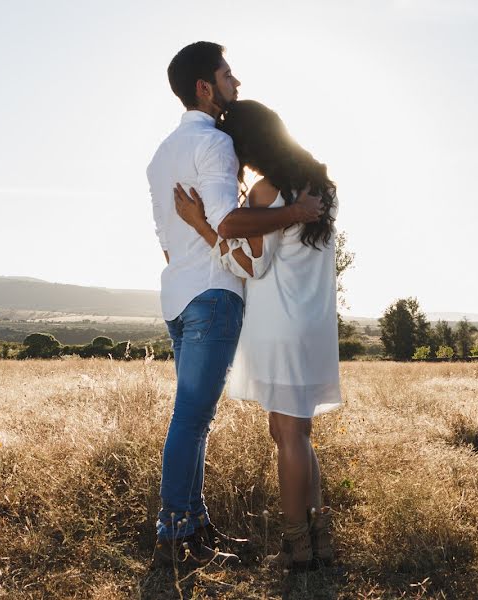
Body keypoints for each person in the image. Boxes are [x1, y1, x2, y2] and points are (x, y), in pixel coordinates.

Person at [147, 42, 323, 569]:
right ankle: (176, 533)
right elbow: (226, 222)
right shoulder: (218, 145)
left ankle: (193, 527)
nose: (235, 82)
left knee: (195, 419)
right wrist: (294, 210)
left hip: (177, 294)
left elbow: (164, 238)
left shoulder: (160, 155)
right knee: (190, 418)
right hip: (214, 294)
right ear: (205, 87)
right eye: (227, 74)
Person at [174, 99, 341, 570]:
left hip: (280, 323)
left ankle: (295, 549)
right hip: (313, 325)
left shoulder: (267, 192)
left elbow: (252, 264)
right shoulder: (320, 189)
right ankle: (319, 541)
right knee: (297, 432)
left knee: (287, 433)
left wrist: (201, 226)